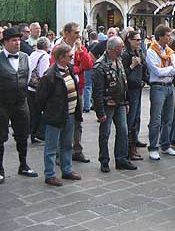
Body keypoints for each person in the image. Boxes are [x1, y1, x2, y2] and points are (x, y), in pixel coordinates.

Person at [37, 44, 82, 186]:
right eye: (70, 56)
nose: (72, 58)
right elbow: (41, 98)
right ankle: (49, 174)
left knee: (67, 144)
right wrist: (49, 112)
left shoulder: (68, 70)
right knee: (51, 146)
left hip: (70, 114)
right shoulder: (50, 75)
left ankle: (67, 169)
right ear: (61, 58)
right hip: (56, 116)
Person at [92, 36, 137, 173]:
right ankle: (104, 160)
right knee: (105, 132)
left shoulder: (119, 60)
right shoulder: (100, 65)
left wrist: (127, 101)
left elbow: (124, 82)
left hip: (121, 103)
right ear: (114, 49)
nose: (123, 49)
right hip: (107, 103)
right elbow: (97, 91)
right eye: (121, 47)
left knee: (123, 130)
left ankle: (121, 158)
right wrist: (100, 112)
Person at [51, 22, 94, 163]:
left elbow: (88, 65)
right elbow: (57, 68)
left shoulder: (80, 47)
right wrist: (77, 68)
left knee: (78, 121)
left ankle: (77, 149)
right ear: (67, 33)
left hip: (78, 89)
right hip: (62, 90)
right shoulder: (58, 48)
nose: (78, 35)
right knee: (62, 121)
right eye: (76, 32)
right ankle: (59, 153)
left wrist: (81, 51)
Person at [0, 27, 38, 184]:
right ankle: (0, 169)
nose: (17, 43)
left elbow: (27, 77)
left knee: (23, 135)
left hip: (21, 103)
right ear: (5, 43)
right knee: (0, 137)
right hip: (2, 104)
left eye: (19, 40)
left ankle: (23, 164)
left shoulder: (25, 58)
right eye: (14, 40)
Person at [146, 25, 175, 159]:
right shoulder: (151, 51)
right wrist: (170, 69)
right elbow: (157, 72)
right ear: (160, 36)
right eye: (167, 35)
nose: (169, 38)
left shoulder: (170, 51)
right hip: (158, 87)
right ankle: (153, 147)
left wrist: (168, 69)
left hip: (169, 86)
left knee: (168, 118)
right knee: (156, 119)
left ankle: (165, 145)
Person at [121, 31, 148, 160]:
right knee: (130, 119)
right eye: (136, 40)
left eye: (140, 40)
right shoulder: (126, 55)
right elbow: (122, 74)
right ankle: (129, 148)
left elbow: (144, 68)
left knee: (137, 117)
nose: (139, 42)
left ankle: (134, 140)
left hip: (138, 87)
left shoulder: (140, 52)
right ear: (129, 40)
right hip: (130, 89)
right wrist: (133, 65)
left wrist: (145, 79)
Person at [27, 36, 51, 143]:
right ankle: (39, 133)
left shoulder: (33, 54)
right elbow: (43, 74)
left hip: (30, 86)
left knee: (33, 112)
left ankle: (33, 134)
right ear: (47, 46)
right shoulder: (44, 57)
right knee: (42, 111)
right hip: (38, 88)